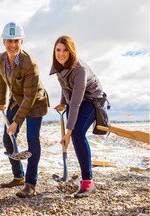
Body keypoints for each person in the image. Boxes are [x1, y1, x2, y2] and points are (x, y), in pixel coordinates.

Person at [0, 22, 49, 198]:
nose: (12, 45)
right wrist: (2, 102)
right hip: (16, 100)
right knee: (7, 138)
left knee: (32, 139)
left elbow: (30, 97)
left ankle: (30, 184)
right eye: (9, 40)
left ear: (22, 41)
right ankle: (18, 176)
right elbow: (2, 81)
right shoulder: (0, 58)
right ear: (3, 41)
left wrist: (16, 122)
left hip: (35, 101)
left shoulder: (30, 63)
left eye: (16, 40)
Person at [50, 35, 104, 198]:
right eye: (58, 50)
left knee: (78, 134)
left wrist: (68, 131)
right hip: (74, 97)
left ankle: (88, 182)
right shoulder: (59, 66)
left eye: (65, 50)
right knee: (74, 133)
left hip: (93, 100)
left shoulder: (80, 69)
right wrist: (61, 102)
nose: (61, 54)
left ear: (71, 51)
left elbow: (76, 103)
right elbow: (66, 88)